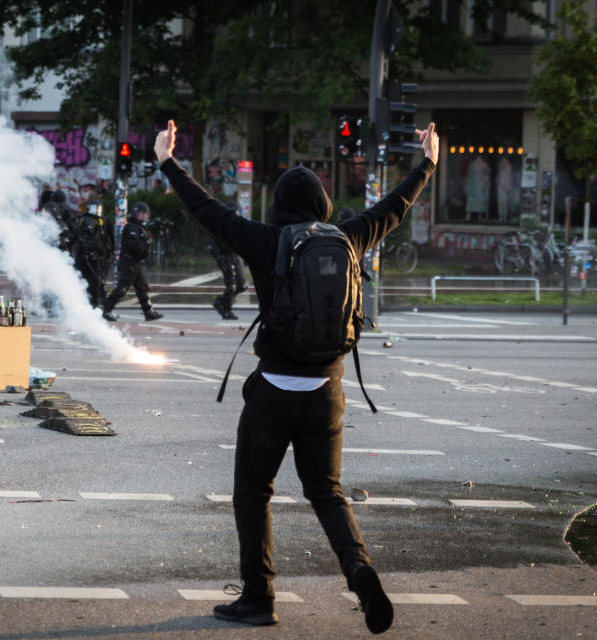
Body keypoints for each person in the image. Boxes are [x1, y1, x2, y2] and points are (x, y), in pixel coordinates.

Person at [154, 118, 438, 634]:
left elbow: (207, 210)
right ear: (322, 204)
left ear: (280, 204)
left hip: (274, 392)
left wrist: (168, 162)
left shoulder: (266, 241)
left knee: (253, 493)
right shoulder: (349, 237)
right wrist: (427, 162)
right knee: (327, 492)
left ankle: (259, 597)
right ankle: (359, 571)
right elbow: (393, 208)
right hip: (328, 391)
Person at [102, 201, 163, 322]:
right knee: (122, 288)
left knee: (142, 287)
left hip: (134, 263)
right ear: (138, 213)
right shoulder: (131, 228)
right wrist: (146, 243)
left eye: (146, 214)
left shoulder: (137, 227)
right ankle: (106, 311)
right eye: (143, 213)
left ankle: (148, 311)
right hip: (129, 263)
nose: (145, 216)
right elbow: (134, 247)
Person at [207, 200, 247, 320]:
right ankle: (226, 310)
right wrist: (220, 257)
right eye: (235, 212)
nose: (237, 214)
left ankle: (220, 302)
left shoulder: (237, 225)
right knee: (231, 284)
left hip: (233, 255)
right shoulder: (221, 225)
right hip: (224, 255)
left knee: (241, 284)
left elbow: (241, 243)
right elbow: (213, 244)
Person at [73, 190, 114, 309]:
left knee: (97, 280)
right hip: (88, 255)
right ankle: (94, 303)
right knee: (92, 280)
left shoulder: (103, 221)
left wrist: (110, 252)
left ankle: (96, 303)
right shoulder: (84, 221)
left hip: (99, 255)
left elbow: (110, 237)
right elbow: (78, 237)